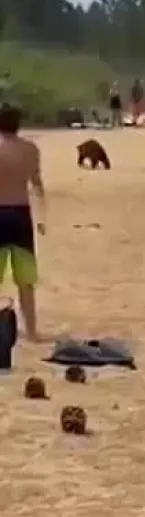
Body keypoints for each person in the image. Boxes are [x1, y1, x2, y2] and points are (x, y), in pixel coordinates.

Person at [0, 103, 45, 341]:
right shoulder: (30, 149)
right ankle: (31, 331)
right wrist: (42, 218)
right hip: (21, 215)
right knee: (26, 281)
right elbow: (37, 185)